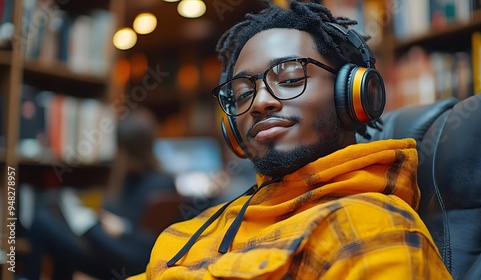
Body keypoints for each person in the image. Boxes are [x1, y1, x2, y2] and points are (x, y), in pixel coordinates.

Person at [130, 1, 452, 279]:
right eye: (242, 94)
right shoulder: (197, 229)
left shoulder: (371, 229)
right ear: (232, 130)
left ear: (352, 94)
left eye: (290, 79)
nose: (259, 103)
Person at [23, 108, 179, 279]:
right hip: (107, 251)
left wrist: (121, 229)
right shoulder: (134, 178)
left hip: (119, 261)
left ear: (125, 150)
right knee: (52, 218)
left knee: (42, 221)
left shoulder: (160, 187)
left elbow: (148, 246)